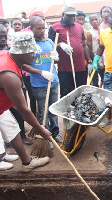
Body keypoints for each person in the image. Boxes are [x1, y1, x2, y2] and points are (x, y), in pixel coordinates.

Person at [0, 31, 52, 171]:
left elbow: (23, 66)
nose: (34, 55)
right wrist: (41, 130)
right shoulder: (9, 76)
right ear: (21, 53)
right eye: (31, 52)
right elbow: (23, 109)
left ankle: (27, 163)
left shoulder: (9, 55)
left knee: (12, 128)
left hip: (1, 108)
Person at [29, 16, 63, 144]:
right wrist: (41, 72)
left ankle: (55, 133)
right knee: (43, 113)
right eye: (38, 28)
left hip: (53, 81)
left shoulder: (49, 42)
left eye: (43, 28)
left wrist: (57, 57)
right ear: (31, 28)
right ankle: (46, 136)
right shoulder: (30, 45)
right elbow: (24, 65)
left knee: (54, 110)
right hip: (39, 84)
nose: (42, 30)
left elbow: (53, 59)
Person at [48, 4, 92, 98]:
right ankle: (67, 112)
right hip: (65, 68)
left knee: (80, 91)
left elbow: (84, 45)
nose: (72, 17)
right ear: (63, 14)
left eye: (73, 15)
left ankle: (78, 111)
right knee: (65, 92)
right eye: (69, 15)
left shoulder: (79, 27)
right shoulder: (54, 28)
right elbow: (50, 46)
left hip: (80, 66)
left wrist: (89, 61)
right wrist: (60, 45)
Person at [87, 13, 101, 87]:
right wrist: (96, 61)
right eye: (92, 20)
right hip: (95, 59)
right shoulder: (90, 33)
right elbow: (90, 48)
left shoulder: (103, 31)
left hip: (104, 59)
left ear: (99, 20)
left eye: (96, 19)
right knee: (95, 80)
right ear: (90, 22)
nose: (95, 21)